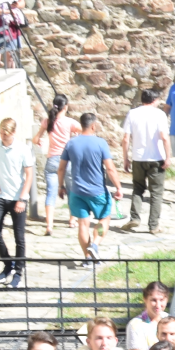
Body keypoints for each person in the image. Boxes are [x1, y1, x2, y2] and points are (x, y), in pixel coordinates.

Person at [58, 113, 121, 263]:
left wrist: (61, 186)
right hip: (97, 191)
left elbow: (61, 169)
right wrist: (118, 187)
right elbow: (110, 168)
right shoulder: (101, 143)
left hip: (76, 191)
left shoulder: (71, 143)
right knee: (104, 219)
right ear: (93, 126)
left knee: (83, 224)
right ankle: (95, 244)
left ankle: (87, 258)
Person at [0, 119, 33, 288]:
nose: (3, 137)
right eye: (1, 134)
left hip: (17, 197)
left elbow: (29, 175)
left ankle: (18, 272)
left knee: (19, 237)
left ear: (13, 133)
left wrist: (22, 198)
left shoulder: (23, 149)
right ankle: (8, 264)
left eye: (6, 134)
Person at [121, 88, 172, 235]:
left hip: (138, 157)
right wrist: (168, 157)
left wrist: (126, 158)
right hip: (156, 157)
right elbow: (164, 137)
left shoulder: (133, 113)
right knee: (156, 192)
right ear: (155, 100)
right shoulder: (159, 114)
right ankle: (153, 225)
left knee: (137, 188)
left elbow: (125, 139)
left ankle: (135, 217)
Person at [32, 94, 80, 236]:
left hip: (52, 159)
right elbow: (84, 132)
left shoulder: (47, 121)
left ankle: (49, 226)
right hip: (67, 159)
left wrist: (39, 141)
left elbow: (36, 138)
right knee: (72, 190)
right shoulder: (70, 122)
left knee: (51, 193)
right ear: (66, 107)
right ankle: (72, 220)